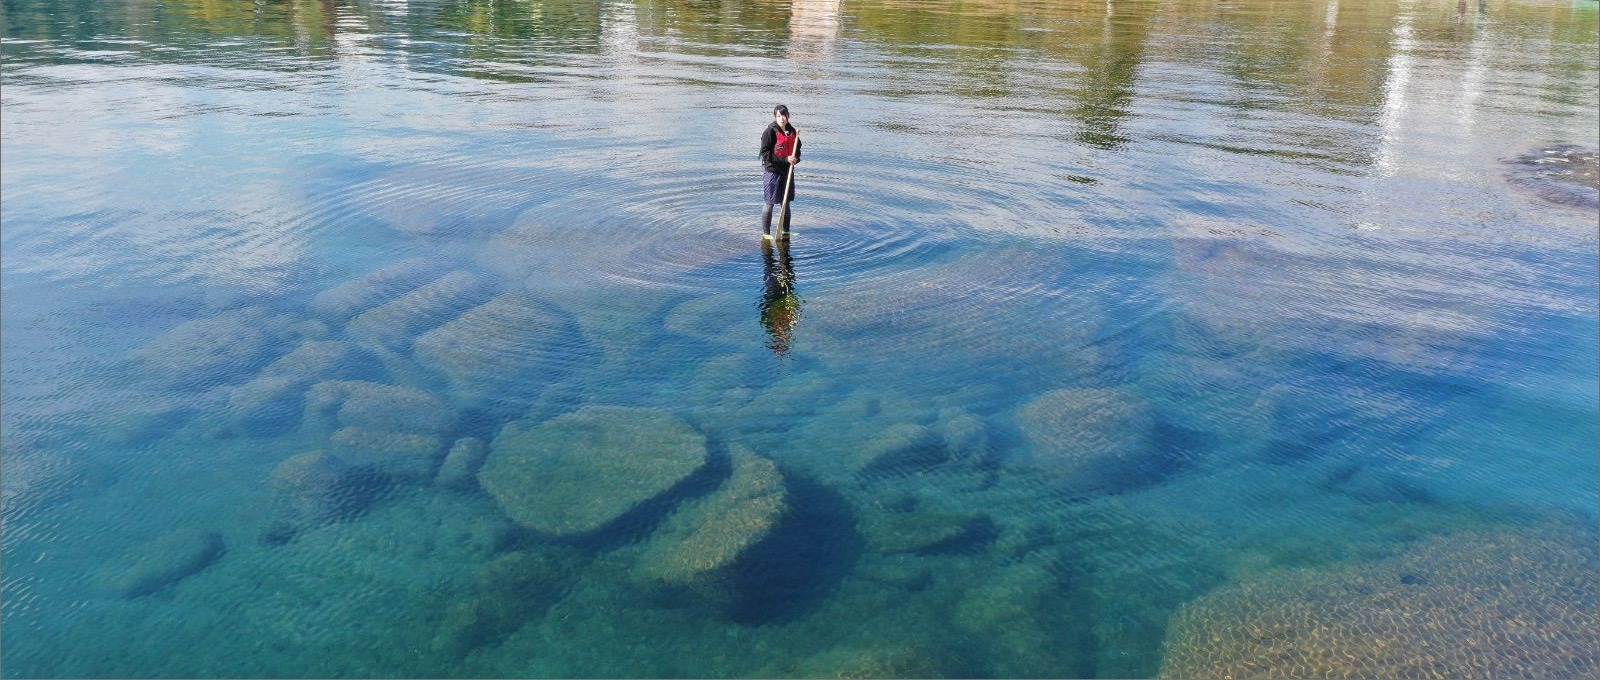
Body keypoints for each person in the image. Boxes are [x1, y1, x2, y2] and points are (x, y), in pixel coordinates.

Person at [759, 104, 802, 240]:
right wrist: (785, 159)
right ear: (775, 117)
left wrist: (796, 159)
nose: (782, 118)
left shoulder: (792, 131)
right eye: (778, 116)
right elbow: (765, 154)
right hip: (772, 172)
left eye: (784, 115)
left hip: (787, 171)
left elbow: (798, 149)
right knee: (770, 202)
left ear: (788, 116)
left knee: (786, 202)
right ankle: (766, 234)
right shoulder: (769, 132)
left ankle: (785, 231)